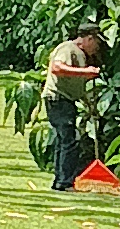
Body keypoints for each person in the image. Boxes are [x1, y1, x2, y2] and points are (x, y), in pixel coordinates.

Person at [43, 18, 110, 192]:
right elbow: (57, 68)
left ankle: (60, 180)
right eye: (96, 43)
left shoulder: (80, 55)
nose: (96, 48)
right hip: (58, 100)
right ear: (88, 38)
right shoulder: (68, 48)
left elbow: (74, 84)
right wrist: (85, 72)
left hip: (66, 100)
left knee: (64, 140)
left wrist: (89, 104)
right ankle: (64, 182)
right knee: (69, 140)